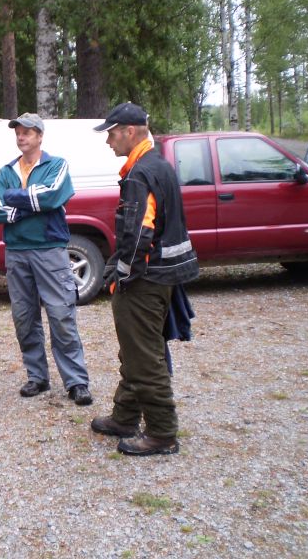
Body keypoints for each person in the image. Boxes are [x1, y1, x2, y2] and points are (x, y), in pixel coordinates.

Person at [89, 102, 199, 456]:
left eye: (111, 133)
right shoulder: (157, 165)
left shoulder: (141, 174)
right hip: (161, 276)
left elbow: (139, 235)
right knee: (136, 351)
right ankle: (125, 416)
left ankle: (162, 433)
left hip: (146, 281)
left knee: (145, 356)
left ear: (130, 132)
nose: (108, 141)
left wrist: (120, 276)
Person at [0, 112, 92, 406]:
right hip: (16, 252)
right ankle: (37, 377)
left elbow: (51, 198)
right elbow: (0, 211)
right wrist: (32, 202)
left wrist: (19, 199)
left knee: (61, 314)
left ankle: (76, 382)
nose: (21, 137)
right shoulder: (5, 171)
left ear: (39, 136)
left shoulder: (57, 165)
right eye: (18, 133)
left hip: (50, 249)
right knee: (24, 317)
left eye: (27, 132)